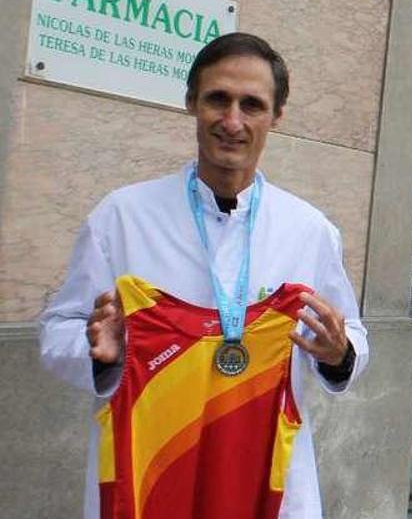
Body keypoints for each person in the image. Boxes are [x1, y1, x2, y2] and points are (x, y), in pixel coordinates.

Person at [38, 32, 369, 518]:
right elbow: (56, 332)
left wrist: (339, 355)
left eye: (252, 104)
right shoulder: (122, 216)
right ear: (192, 102)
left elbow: (354, 336)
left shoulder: (310, 230)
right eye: (218, 99)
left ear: (275, 116)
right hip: (152, 470)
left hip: (265, 478)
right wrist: (101, 353)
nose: (232, 121)